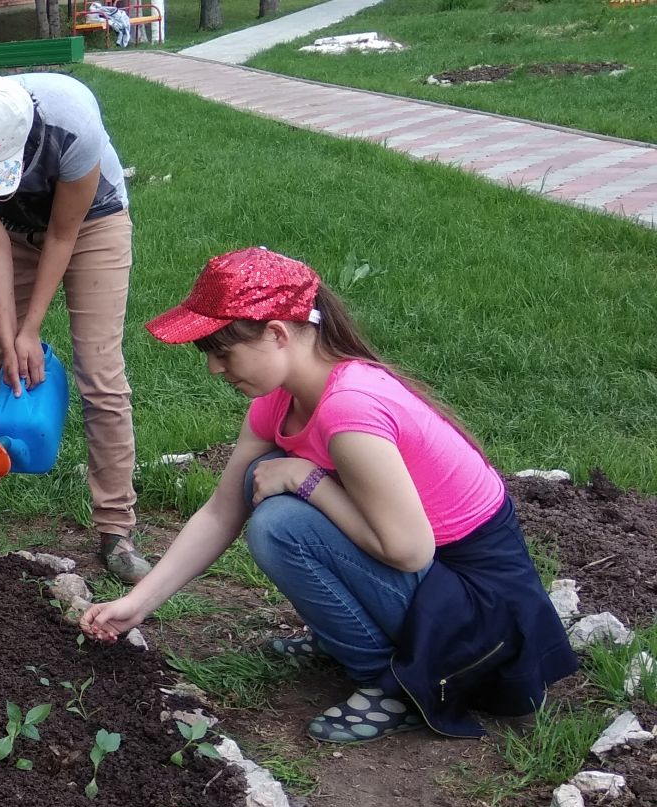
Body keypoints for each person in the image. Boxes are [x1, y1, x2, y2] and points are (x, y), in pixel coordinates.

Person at [81, 247, 576, 742]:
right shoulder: (280, 400)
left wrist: (307, 481)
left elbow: (409, 551)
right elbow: (220, 512)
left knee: (281, 523)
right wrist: (140, 602)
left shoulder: (350, 410)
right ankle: (364, 646)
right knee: (268, 487)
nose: (213, 368)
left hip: (485, 626)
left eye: (221, 351)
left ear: (276, 333)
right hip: (437, 590)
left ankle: (393, 684)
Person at [0, 75, 152, 584]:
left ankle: (116, 529)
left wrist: (32, 329)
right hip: (10, 233)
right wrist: (11, 338)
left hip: (92, 223)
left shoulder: (74, 126)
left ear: (26, 141)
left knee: (100, 373)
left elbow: (65, 234)